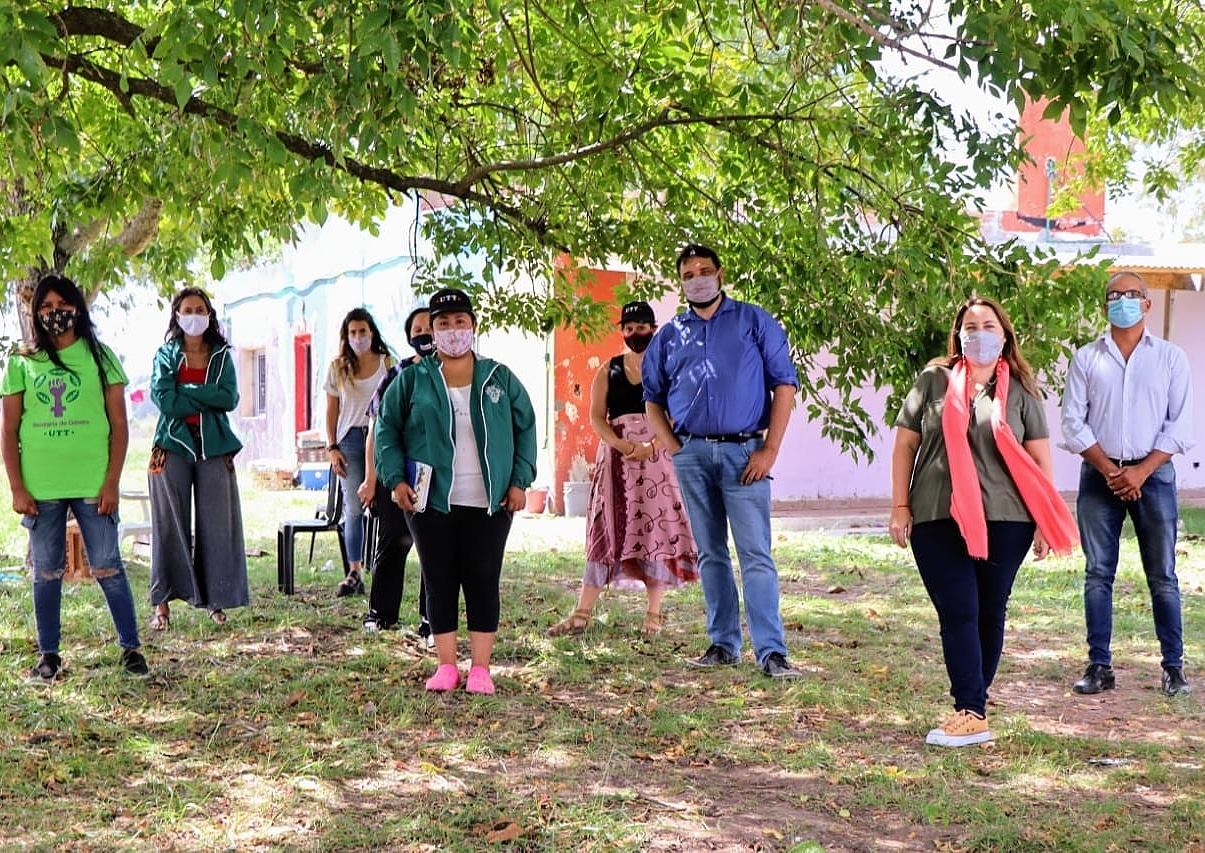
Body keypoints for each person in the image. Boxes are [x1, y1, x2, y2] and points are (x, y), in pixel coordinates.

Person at [890, 296, 1077, 747]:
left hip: (1007, 518)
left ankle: (973, 708)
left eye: (988, 324)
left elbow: (1039, 459)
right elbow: (904, 448)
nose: (978, 332)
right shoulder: (932, 381)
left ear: (1005, 333)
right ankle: (970, 709)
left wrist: (1044, 520)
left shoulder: (1024, 391)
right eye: (969, 325)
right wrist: (900, 506)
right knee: (959, 610)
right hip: (937, 514)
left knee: (990, 611)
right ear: (957, 334)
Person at [642, 244, 802, 678]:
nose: (698, 278)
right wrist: (674, 447)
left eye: (705, 271)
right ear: (681, 282)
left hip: (745, 454)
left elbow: (785, 385)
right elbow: (651, 398)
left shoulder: (754, 321)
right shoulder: (671, 335)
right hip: (692, 454)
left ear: (721, 273)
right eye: (689, 273)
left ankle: (771, 651)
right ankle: (723, 643)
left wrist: (770, 449)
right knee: (711, 554)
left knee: (755, 554)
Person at [375, 288, 537, 694]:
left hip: (491, 501)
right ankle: (446, 666)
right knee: (439, 578)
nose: (451, 331)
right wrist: (395, 479)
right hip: (430, 501)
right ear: (431, 331)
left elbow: (526, 429)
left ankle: (480, 668)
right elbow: (386, 431)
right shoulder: (412, 379)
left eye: (459, 322)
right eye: (442, 324)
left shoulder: (499, 377)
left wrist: (519, 481)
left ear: (473, 326)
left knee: (483, 578)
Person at [1, 274, 148, 679]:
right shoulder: (21, 362)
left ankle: (131, 649)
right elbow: (8, 429)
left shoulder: (101, 358)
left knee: (107, 566)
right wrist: (17, 486)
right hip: (41, 488)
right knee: (46, 572)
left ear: (78, 309)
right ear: (35, 313)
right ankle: (49, 656)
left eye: (61, 306)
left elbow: (119, 425)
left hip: (92, 485)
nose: (54, 314)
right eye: (45, 308)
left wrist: (111, 482)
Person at [1061, 272, 1194, 697]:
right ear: (1105, 307)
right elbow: (1072, 423)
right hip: (1100, 477)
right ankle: (1099, 666)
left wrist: (1141, 471)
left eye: (1131, 295)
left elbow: (1181, 424)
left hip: (1154, 477)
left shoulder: (1171, 358)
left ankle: (1173, 669)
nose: (1123, 301)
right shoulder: (1086, 358)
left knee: (1163, 576)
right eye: (1114, 296)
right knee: (1098, 573)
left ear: (1147, 304)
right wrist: (1110, 470)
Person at [548, 300, 699, 638]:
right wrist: (623, 445)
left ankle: (654, 614)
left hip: (658, 465)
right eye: (628, 328)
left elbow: (676, 414)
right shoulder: (609, 369)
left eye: (641, 327)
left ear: (653, 329)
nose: (635, 334)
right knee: (607, 529)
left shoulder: (667, 368)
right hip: (617, 465)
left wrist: (652, 446)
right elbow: (596, 417)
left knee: (657, 532)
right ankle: (582, 613)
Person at [147, 287, 249, 628]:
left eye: (199, 309)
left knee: (218, 524)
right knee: (168, 522)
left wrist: (186, 391)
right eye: (187, 309)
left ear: (209, 315)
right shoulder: (164, 354)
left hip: (215, 446)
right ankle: (162, 604)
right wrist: (205, 397)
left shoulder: (221, 355)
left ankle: (215, 600)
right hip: (171, 444)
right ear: (177, 316)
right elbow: (165, 400)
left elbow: (229, 397)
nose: (194, 315)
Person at [360, 306, 433, 639]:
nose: (426, 334)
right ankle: (380, 613)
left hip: (439, 475)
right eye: (418, 329)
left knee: (435, 548)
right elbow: (377, 428)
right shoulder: (397, 375)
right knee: (392, 542)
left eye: (431, 326)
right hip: (398, 472)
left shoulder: (458, 374)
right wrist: (371, 479)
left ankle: (432, 618)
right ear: (409, 337)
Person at [325, 308, 395, 597]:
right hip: (350, 440)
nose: (358, 337)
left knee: (386, 505)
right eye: (352, 332)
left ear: (372, 332)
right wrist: (331, 447)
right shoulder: (337, 367)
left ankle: (386, 568)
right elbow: (332, 411)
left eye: (362, 331)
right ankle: (354, 571)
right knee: (353, 508)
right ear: (346, 336)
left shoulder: (388, 363)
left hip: (382, 436)